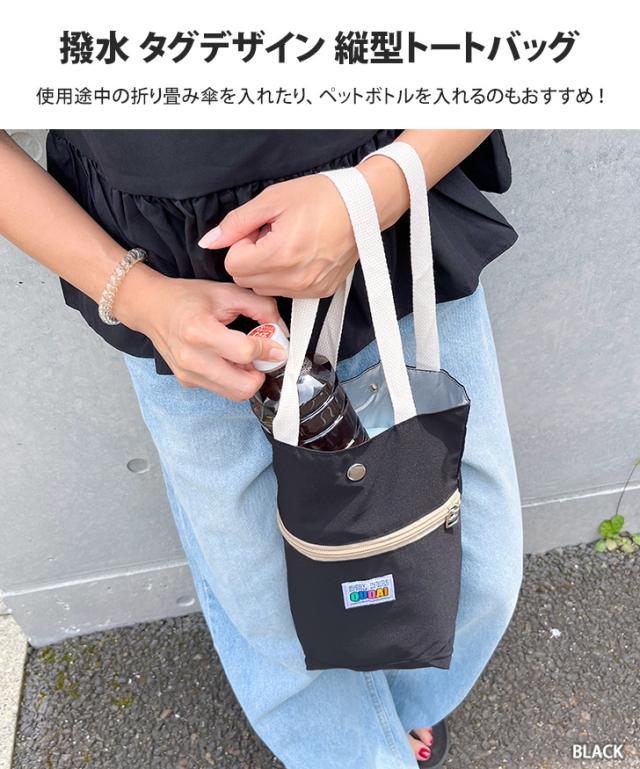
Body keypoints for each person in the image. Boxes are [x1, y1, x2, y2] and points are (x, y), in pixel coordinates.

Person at [0, 128, 524, 768]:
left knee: (475, 569)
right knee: (269, 609)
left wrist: (374, 194)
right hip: (179, 289)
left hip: (384, 213)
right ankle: (351, 753)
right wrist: (137, 297)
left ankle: (406, 704)